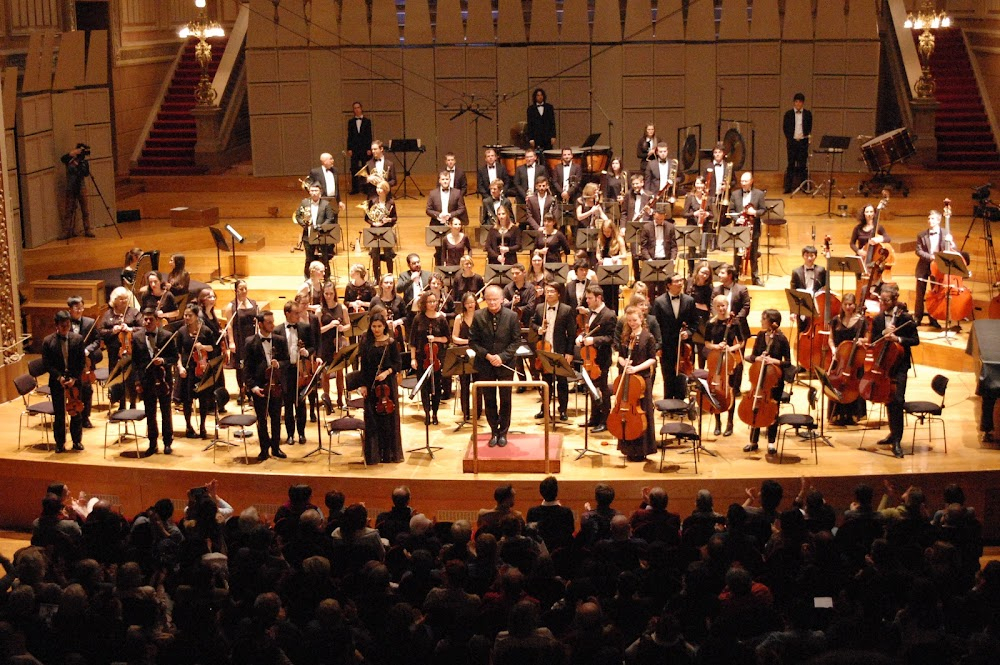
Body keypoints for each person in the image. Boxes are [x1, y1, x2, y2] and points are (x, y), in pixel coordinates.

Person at [865, 284, 919, 458]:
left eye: (885, 300)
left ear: (895, 300)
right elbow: (874, 340)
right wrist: (882, 333)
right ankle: (892, 433)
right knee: (888, 399)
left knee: (897, 399)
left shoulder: (905, 318)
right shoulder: (879, 318)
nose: (882, 303)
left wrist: (897, 338)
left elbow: (915, 340)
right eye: (881, 300)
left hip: (899, 366)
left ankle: (897, 441)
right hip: (883, 367)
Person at [469, 285, 522, 447]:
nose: (492, 303)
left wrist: (502, 357)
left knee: (506, 399)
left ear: (502, 299)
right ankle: (494, 431)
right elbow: (473, 342)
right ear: (485, 299)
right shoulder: (478, 316)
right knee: (489, 399)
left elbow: (516, 341)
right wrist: (488, 355)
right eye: (489, 299)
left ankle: (503, 432)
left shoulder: (512, 316)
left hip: (505, 364)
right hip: (485, 364)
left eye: (495, 299)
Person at [743, 309, 791, 455]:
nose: (761, 321)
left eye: (764, 319)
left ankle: (771, 443)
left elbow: (788, 362)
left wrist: (774, 361)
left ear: (772, 322)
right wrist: (757, 358)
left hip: (774, 381)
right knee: (755, 408)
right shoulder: (760, 335)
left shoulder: (781, 339)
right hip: (759, 379)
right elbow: (752, 356)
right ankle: (753, 441)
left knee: (772, 412)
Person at [613, 305, 658, 461]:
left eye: (635, 320)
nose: (632, 323)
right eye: (630, 320)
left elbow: (652, 358)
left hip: (642, 380)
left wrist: (636, 368)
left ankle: (643, 449)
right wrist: (623, 362)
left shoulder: (648, 337)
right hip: (628, 377)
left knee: (642, 412)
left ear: (641, 319)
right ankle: (627, 448)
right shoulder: (626, 336)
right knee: (626, 412)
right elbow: (619, 356)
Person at [131, 308, 179, 457]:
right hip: (147, 380)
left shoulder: (167, 336)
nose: (147, 322)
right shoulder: (137, 337)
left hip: (163, 379)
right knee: (150, 413)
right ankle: (152, 443)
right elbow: (135, 362)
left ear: (157, 321)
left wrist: (163, 361)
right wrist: (137, 382)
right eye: (145, 319)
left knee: (166, 412)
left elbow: (174, 358)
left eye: (151, 319)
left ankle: (167, 442)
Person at [359, 309, 404, 464]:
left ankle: (390, 454)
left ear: (384, 326)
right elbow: (363, 366)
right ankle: (374, 455)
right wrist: (364, 385)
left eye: (379, 326)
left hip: (388, 385)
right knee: (373, 420)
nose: (376, 329)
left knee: (389, 420)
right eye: (374, 326)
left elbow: (398, 364)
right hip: (372, 385)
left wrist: (387, 373)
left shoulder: (391, 343)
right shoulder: (366, 342)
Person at [246, 310, 290, 461]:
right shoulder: (250, 342)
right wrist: (253, 387)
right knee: (262, 419)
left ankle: (276, 447)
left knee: (276, 418)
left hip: (276, 386)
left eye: (273, 321)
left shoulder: (280, 340)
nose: (272, 325)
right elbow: (247, 369)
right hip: (260, 387)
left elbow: (287, 361)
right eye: (269, 322)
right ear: (260, 324)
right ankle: (264, 449)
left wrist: (279, 364)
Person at [42, 311, 86, 452]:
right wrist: (59, 377)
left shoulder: (78, 339)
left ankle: (77, 442)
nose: (66, 327)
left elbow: (81, 362)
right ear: (56, 325)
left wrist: (74, 378)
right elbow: (47, 364)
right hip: (57, 382)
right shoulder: (48, 341)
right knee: (59, 414)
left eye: (68, 324)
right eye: (62, 325)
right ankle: (60, 444)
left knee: (76, 412)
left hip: (74, 382)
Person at [531, 281, 575, 422]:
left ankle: (562, 410)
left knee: (562, 382)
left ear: (558, 294)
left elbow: (572, 333)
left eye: (552, 291)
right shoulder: (539, 308)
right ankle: (544, 409)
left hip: (560, 350)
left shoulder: (566, 310)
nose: (549, 294)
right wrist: (539, 328)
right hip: (544, 350)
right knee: (546, 382)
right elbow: (532, 323)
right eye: (547, 291)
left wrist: (569, 352)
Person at [577, 285, 617, 432]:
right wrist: (581, 337)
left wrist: (593, 340)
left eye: (589, 298)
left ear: (599, 298)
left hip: (601, 359)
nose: (586, 301)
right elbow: (588, 331)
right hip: (589, 358)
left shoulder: (609, 315)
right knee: (592, 388)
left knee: (603, 390)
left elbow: (611, 338)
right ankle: (594, 418)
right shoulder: (590, 313)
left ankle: (605, 420)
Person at [276, 300, 315, 446]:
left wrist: (307, 351)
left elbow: (312, 346)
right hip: (286, 371)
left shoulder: (305, 328)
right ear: (287, 313)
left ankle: (302, 433)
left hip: (301, 370)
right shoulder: (277, 330)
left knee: (301, 402)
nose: (299, 316)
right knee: (287, 404)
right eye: (296, 313)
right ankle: (290, 434)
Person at [704, 294, 744, 437]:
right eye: (718, 306)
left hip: (732, 360)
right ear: (714, 308)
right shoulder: (711, 323)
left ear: (728, 306)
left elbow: (741, 342)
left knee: (730, 391)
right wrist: (716, 346)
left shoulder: (735, 322)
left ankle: (730, 422)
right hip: (717, 360)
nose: (721, 309)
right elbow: (707, 343)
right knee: (716, 390)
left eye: (723, 306)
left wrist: (729, 349)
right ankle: (717, 421)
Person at [653, 273, 696, 399]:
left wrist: (688, 332)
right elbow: (656, 326)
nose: (680, 283)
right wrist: (658, 346)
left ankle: (680, 401)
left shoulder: (689, 301)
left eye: (681, 281)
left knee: (682, 374)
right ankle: (667, 403)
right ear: (668, 285)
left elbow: (694, 322)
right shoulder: (659, 302)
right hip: (666, 345)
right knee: (668, 374)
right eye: (676, 281)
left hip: (684, 346)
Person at [410, 290, 450, 425]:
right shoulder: (418, 318)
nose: (433, 304)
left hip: (438, 359)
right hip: (422, 358)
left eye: (434, 301)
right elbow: (412, 341)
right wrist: (413, 358)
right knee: (425, 388)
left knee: (437, 387)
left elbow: (447, 339)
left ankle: (435, 413)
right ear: (424, 303)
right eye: (430, 302)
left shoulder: (441, 318)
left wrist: (436, 338)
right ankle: (427, 412)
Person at [99, 286, 141, 413]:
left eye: (126, 299)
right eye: (121, 299)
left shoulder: (133, 312)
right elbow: (101, 331)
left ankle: (132, 403)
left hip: (130, 351)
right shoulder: (108, 314)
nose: (124, 301)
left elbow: (143, 328)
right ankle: (120, 403)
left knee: (131, 377)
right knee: (117, 378)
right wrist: (113, 330)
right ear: (115, 300)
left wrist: (130, 329)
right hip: (113, 351)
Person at [827, 292, 867, 426]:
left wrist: (862, 340)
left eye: (851, 304)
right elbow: (831, 339)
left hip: (854, 359)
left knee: (854, 384)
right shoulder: (835, 320)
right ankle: (837, 414)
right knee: (837, 383)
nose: (848, 307)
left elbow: (868, 338)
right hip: (840, 360)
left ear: (855, 305)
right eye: (846, 304)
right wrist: (833, 350)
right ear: (842, 305)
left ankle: (853, 414)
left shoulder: (861, 321)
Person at [177, 304, 216, 439]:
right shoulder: (181, 332)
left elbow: (213, 348)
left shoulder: (205, 331)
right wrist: (180, 367)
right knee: (187, 400)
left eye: (190, 315)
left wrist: (202, 346)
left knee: (203, 399)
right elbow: (178, 353)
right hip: (187, 369)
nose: (187, 318)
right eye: (185, 315)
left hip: (202, 368)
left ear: (196, 315)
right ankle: (188, 426)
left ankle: (203, 426)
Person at [67, 296, 102, 429]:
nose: (80, 310)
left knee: (87, 390)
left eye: (81, 307)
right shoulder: (65, 324)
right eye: (76, 308)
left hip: (86, 364)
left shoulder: (90, 322)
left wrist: (88, 350)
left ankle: (86, 417)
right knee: (74, 391)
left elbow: (97, 341)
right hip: (71, 364)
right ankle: (75, 415)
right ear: (70, 309)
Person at [728, 171, 766, 285]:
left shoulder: (759, 194)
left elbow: (763, 210)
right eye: (742, 181)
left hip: (753, 229)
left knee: (753, 254)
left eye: (745, 181)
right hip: (739, 228)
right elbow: (731, 211)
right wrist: (736, 219)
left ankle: (755, 278)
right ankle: (735, 278)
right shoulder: (735, 194)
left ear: (751, 181)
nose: (743, 183)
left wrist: (754, 212)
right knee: (737, 255)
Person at [318, 282, 350, 412]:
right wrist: (330, 325)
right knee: (325, 373)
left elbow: (348, 325)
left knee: (339, 373)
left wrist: (343, 327)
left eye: (331, 293)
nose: (329, 296)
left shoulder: (342, 308)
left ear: (335, 294)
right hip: (325, 344)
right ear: (323, 294)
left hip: (338, 343)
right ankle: (327, 400)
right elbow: (318, 330)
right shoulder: (320, 310)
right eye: (326, 293)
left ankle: (340, 399)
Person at [225, 280, 259, 400]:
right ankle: (242, 389)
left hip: (252, 338)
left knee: (252, 363)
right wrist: (231, 342)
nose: (244, 291)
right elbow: (229, 325)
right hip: (239, 338)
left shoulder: (253, 303)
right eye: (241, 289)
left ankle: (251, 388)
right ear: (235, 290)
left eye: (245, 288)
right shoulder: (231, 306)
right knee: (240, 366)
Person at [914, 209, 948, 329]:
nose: (929, 220)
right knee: (920, 294)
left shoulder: (945, 234)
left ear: (939, 220)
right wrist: (931, 257)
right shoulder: (921, 235)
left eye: (932, 218)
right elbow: (918, 251)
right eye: (928, 218)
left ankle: (933, 318)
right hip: (923, 266)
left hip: (937, 268)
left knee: (935, 294)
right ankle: (917, 318)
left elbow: (951, 248)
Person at [452, 291, 483, 422]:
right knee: (464, 384)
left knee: (479, 383)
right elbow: (454, 337)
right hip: (463, 354)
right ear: (463, 304)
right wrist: (468, 342)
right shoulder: (459, 318)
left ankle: (478, 411)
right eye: (467, 303)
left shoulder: (481, 316)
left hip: (478, 354)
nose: (470, 305)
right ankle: (465, 412)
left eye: (472, 302)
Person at [297, 182, 338, 278]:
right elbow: (298, 215)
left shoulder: (326, 204)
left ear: (320, 192)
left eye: (316, 190)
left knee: (324, 257)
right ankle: (307, 278)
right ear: (309, 192)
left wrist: (321, 227)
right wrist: (304, 224)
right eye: (312, 190)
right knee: (308, 258)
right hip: (308, 234)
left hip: (322, 234)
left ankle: (327, 278)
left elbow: (330, 218)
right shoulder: (304, 202)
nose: (314, 193)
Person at [525, 476, 575, 552]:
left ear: (541, 492)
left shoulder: (532, 512)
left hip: (539, 556)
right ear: (557, 491)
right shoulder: (566, 512)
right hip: (562, 556)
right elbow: (570, 531)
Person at [363, 180, 397, 280]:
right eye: (377, 188)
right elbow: (366, 217)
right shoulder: (372, 201)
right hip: (374, 230)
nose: (378, 190)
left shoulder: (391, 202)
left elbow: (395, 218)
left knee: (388, 255)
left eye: (380, 188)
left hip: (386, 230)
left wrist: (389, 219)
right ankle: (377, 279)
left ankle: (390, 276)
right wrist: (373, 223)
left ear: (385, 190)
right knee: (375, 255)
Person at [640, 210, 678, 298]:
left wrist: (672, 259)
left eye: (661, 219)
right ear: (654, 216)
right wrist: (649, 260)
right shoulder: (646, 227)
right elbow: (643, 247)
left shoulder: (670, 227)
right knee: (650, 290)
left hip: (665, 260)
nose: (659, 221)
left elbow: (674, 246)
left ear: (664, 217)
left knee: (664, 289)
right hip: (651, 260)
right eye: (657, 219)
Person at [790, 245, 828, 331]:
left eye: (812, 255)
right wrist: (792, 312)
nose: (809, 258)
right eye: (807, 255)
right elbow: (792, 292)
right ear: (803, 256)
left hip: (817, 303)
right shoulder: (796, 272)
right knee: (802, 330)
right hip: (802, 303)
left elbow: (826, 287)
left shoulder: (821, 270)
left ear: (815, 256)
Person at [60, 144, 94, 239]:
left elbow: (86, 173)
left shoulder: (84, 162)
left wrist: (82, 164)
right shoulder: (70, 160)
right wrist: (73, 153)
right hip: (71, 187)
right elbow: (62, 159)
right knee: (69, 210)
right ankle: (66, 231)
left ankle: (87, 230)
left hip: (81, 187)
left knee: (85, 210)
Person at [713, 263, 752, 343]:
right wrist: (719, 319)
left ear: (730, 275)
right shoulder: (716, 290)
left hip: (738, 328)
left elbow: (746, 307)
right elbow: (712, 306)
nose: (719, 275)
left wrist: (734, 321)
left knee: (738, 355)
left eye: (722, 273)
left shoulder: (742, 289)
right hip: (720, 328)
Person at [782, 93, 812, 194]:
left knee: (802, 165)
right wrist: (790, 139)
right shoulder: (788, 114)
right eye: (796, 102)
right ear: (794, 103)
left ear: (803, 103)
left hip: (803, 143)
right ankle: (788, 188)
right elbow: (785, 128)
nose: (798, 104)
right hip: (792, 143)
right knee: (790, 165)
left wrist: (805, 138)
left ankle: (803, 187)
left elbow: (809, 128)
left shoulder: (808, 114)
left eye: (800, 102)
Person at [682, 176, 713, 271]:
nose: (699, 185)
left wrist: (707, 214)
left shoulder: (709, 198)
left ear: (704, 185)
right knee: (691, 251)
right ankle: (691, 271)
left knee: (703, 250)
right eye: (697, 183)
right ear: (694, 185)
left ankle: (702, 270)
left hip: (705, 227)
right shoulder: (690, 197)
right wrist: (694, 214)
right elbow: (684, 214)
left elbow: (713, 215)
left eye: (701, 183)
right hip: (692, 227)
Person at [397, 253, 433, 325]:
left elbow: (433, 290)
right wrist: (410, 280)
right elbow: (399, 289)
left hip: (426, 311)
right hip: (410, 312)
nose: (417, 264)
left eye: (418, 262)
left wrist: (426, 294)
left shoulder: (428, 274)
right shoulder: (404, 275)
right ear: (408, 265)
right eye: (414, 263)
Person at [346, 102, 373, 193]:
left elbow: (369, 135)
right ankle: (355, 188)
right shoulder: (351, 122)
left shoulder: (367, 121)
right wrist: (349, 148)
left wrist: (369, 148)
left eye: (358, 107)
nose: (356, 109)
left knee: (365, 168)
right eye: (355, 108)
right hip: (354, 149)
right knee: (354, 168)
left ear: (361, 108)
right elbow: (349, 136)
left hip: (365, 149)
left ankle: (366, 188)